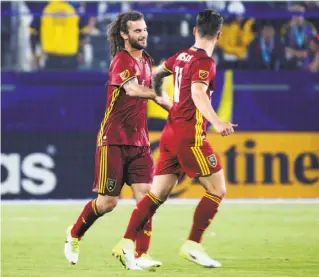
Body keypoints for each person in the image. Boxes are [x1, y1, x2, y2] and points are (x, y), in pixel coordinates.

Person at [112, 9, 237, 269]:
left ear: (195, 31)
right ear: (220, 35)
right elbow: (198, 94)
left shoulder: (181, 56)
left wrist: (162, 99)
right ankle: (193, 244)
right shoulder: (205, 62)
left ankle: (125, 243)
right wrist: (217, 122)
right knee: (217, 189)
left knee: (156, 195)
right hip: (190, 134)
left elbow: (156, 74)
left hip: (170, 131)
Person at [64, 11, 171, 271]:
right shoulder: (121, 61)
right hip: (114, 139)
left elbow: (156, 88)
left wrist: (173, 106)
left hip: (140, 140)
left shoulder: (146, 59)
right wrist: (158, 97)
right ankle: (75, 234)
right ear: (124, 34)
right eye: (137, 31)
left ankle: (142, 253)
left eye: (144, 29)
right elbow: (133, 89)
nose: (143, 34)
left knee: (146, 197)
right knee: (107, 203)